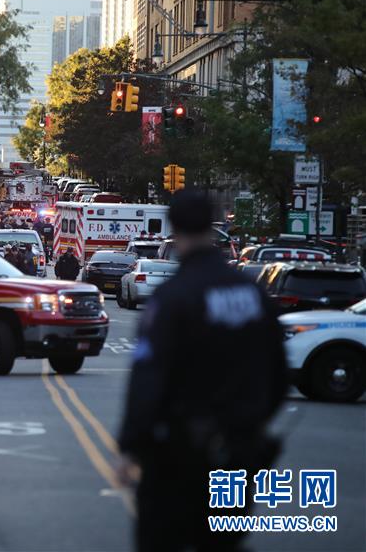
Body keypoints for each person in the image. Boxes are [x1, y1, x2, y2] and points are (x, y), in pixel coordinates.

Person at [117, 189, 287, 552]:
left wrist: (132, 445)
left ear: (174, 228)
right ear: (212, 226)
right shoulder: (253, 294)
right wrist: (251, 424)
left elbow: (148, 376)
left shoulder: (175, 297)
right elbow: (278, 372)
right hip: (240, 453)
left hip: (178, 456)